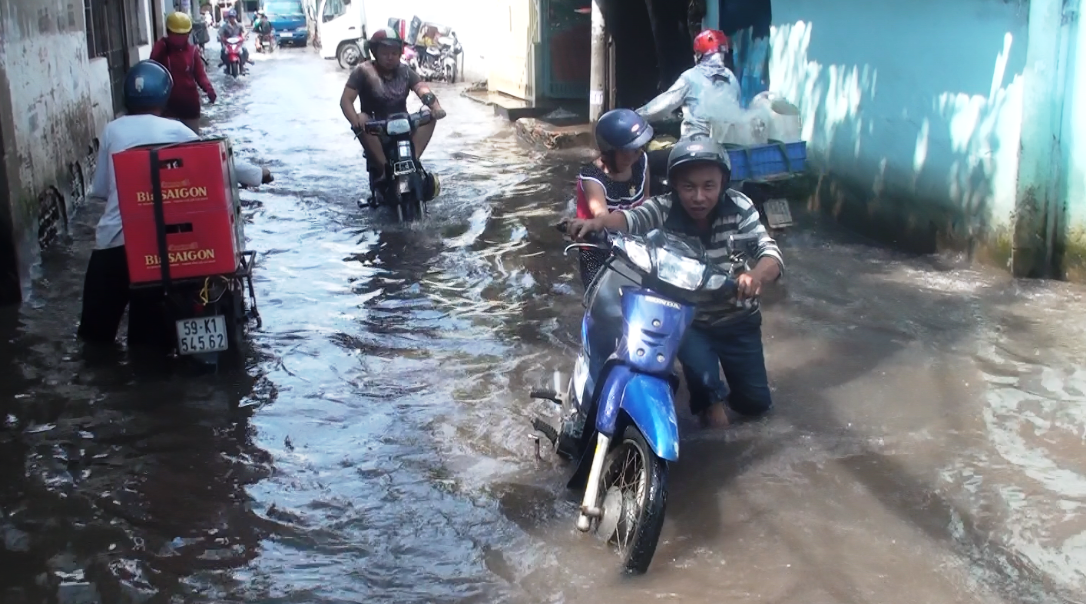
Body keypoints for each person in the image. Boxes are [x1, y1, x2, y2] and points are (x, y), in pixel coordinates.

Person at [566, 139, 783, 429]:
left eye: (709, 186)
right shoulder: (663, 208)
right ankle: (715, 439)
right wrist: (597, 224)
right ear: (675, 185)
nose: (698, 197)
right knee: (712, 407)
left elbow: (770, 253)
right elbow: (629, 219)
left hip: (739, 319)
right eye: (688, 187)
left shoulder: (740, 207)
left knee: (755, 407)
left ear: (723, 184)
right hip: (688, 322)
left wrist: (755, 276)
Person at [77, 60, 274, 348]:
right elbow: (217, 159)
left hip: (115, 245)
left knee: (94, 338)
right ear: (165, 95)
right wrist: (260, 174)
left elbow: (102, 190)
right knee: (150, 337)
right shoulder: (177, 131)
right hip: (167, 248)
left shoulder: (112, 131)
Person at [339, 27, 446, 202]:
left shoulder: (405, 71)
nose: (390, 57)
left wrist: (436, 106)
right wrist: (355, 120)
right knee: (363, 118)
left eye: (395, 52)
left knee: (429, 115)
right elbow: (346, 100)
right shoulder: (362, 71)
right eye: (385, 53)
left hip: (403, 126)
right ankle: (383, 170)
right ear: (374, 52)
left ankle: (413, 160)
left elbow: (422, 90)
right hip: (375, 128)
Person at [575, 108, 653, 288]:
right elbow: (602, 217)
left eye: (638, 148)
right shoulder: (592, 177)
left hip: (635, 243)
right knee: (599, 295)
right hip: (598, 247)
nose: (635, 154)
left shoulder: (641, 161)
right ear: (609, 151)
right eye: (627, 151)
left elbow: (647, 199)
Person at [635, 29, 741, 141]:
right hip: (728, 146)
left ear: (699, 55)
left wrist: (636, 116)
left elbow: (662, 106)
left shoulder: (691, 77)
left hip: (696, 145)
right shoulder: (731, 77)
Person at [150, 12, 216, 134]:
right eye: (176, 34)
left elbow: (200, 75)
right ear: (169, 32)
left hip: (189, 105)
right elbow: (151, 70)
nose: (180, 38)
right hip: (167, 106)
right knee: (169, 143)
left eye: (183, 34)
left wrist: (209, 90)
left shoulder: (192, 51)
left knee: (192, 141)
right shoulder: (161, 48)